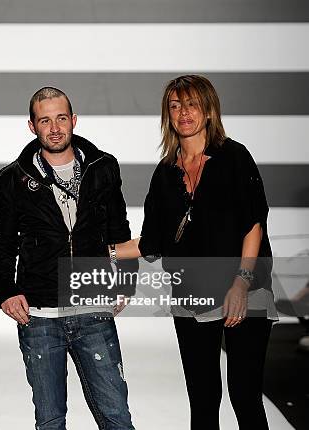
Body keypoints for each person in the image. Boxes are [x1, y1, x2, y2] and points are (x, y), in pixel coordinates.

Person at [113, 74, 277, 429]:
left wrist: (241, 284)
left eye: (191, 104)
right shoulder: (165, 174)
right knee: (202, 400)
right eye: (175, 106)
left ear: (208, 111)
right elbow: (150, 243)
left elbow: (253, 224)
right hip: (192, 294)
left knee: (245, 395)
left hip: (246, 288)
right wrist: (102, 251)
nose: (183, 112)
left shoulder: (234, 157)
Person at [0, 87, 136, 430]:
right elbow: (4, 242)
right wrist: (5, 292)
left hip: (92, 307)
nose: (54, 128)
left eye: (60, 118)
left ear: (73, 120)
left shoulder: (103, 167)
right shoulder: (13, 178)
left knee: (116, 417)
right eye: (45, 120)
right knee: (50, 421)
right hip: (39, 316)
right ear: (32, 126)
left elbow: (119, 228)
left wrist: (126, 279)